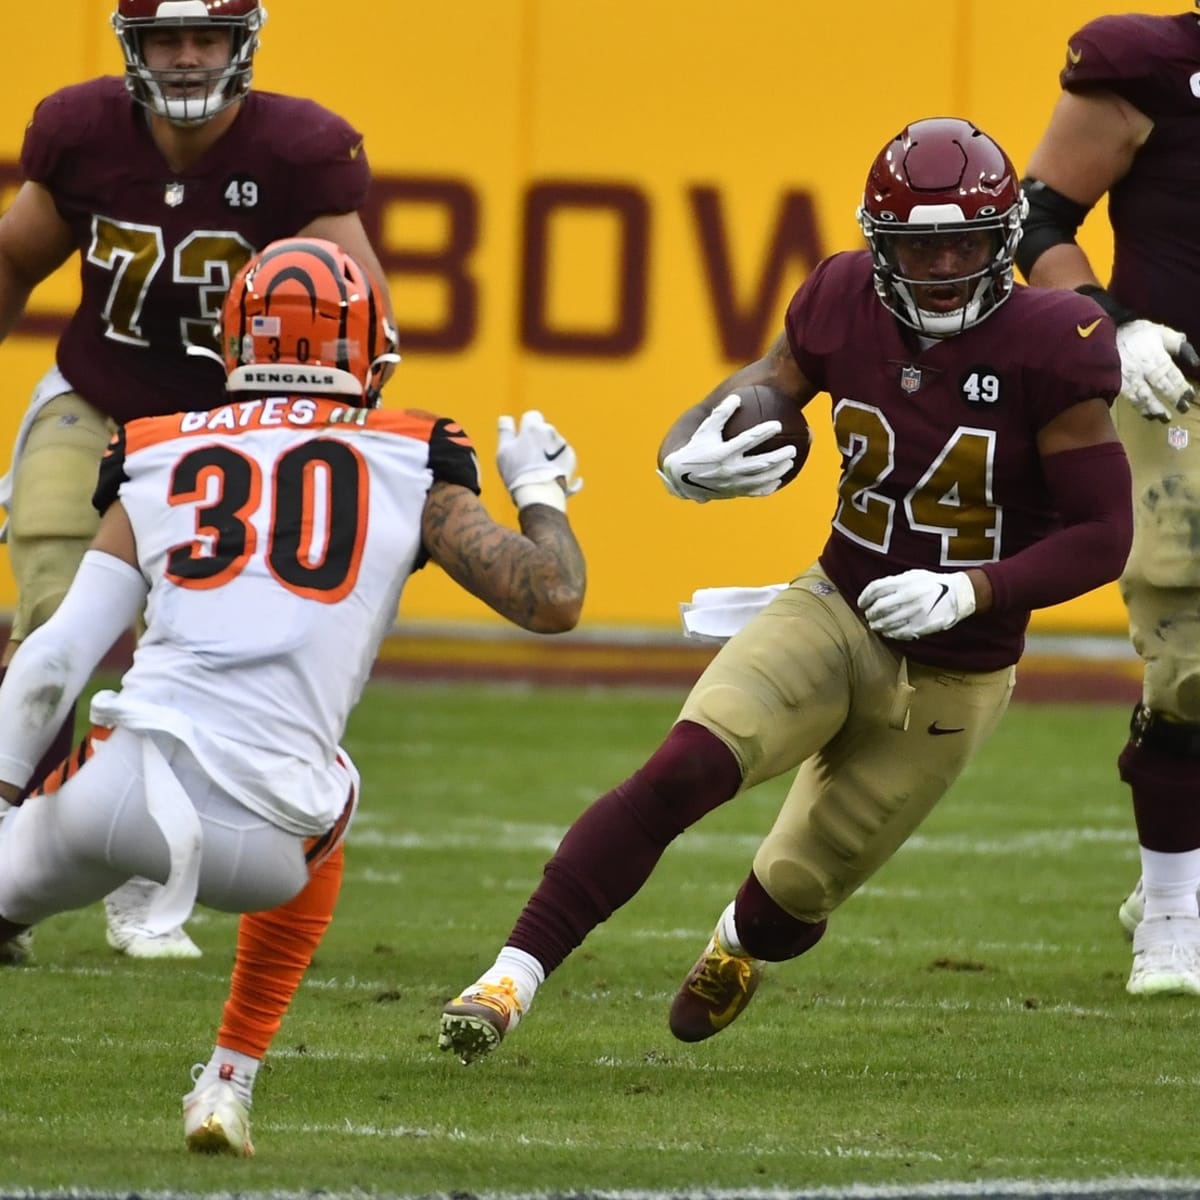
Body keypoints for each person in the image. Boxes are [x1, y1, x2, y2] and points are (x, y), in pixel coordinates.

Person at [437, 116, 1133, 1065]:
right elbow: (765, 388)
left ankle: (737, 942)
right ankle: (509, 976)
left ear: (1005, 239)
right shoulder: (844, 294)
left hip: (955, 674)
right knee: (681, 769)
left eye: (963, 245)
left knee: (796, 896)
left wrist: (973, 591)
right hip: (836, 605)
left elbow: (1105, 534)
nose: (939, 269)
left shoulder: (1057, 341)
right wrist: (690, 448)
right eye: (917, 249)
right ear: (878, 247)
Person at [0, 235, 585, 1153]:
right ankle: (228, 1081)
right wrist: (540, 486)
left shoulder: (155, 449)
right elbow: (553, 600)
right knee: (332, 784)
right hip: (270, 839)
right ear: (369, 352)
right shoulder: (412, 457)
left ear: (233, 347)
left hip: (108, 801)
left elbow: (51, 661)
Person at [0, 0, 396, 961]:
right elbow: (14, 257)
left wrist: (303, 452)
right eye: (165, 38)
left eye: (204, 38)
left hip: (223, 437)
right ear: (131, 47)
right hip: (97, 400)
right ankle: (14, 862)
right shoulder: (82, 132)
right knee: (56, 619)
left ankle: (143, 865)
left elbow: (365, 328)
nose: (184, 58)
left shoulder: (300, 151)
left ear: (240, 43)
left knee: (187, 648)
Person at [1016, 7, 1200, 997]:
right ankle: (1173, 905)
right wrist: (1115, 330)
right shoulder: (1150, 65)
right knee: (1190, 647)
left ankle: (1182, 850)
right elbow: (1038, 219)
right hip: (1179, 386)